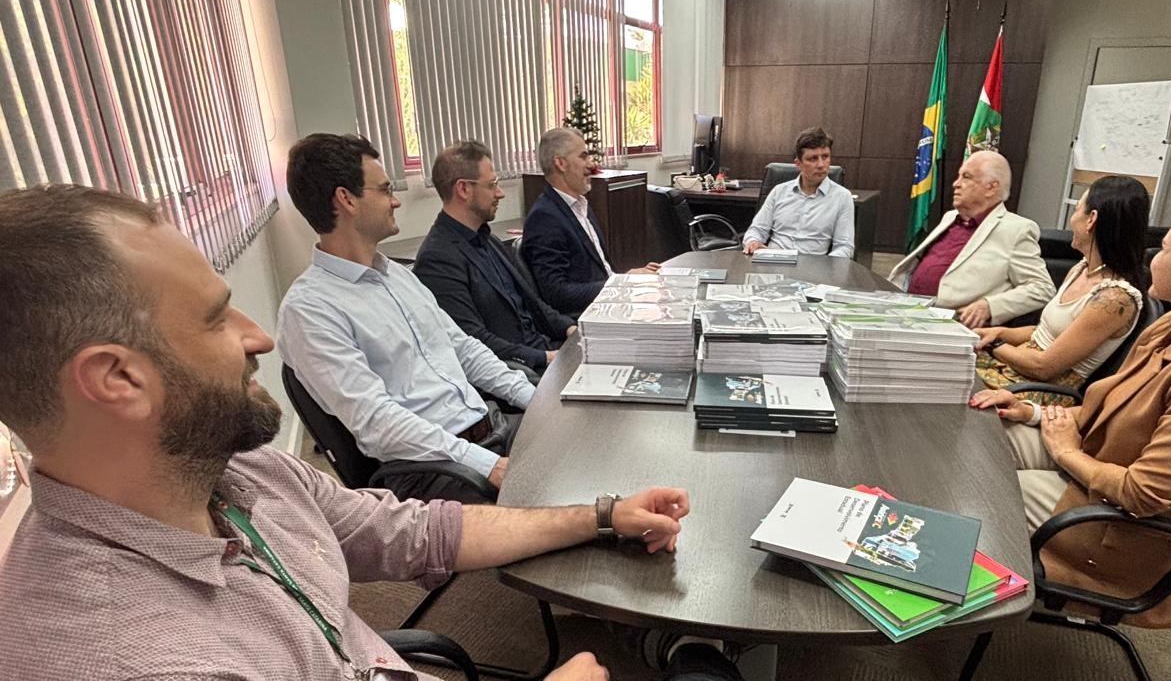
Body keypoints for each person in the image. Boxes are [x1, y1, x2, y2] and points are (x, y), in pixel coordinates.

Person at [0, 183, 712, 680]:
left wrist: (599, 516)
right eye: (217, 319)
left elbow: (416, 532)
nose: (259, 337)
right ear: (117, 379)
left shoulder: (244, 474)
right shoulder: (129, 657)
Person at [970, 193, 1171, 628]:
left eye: (1166, 249)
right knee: (978, 436)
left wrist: (1065, 453)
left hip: (1124, 532)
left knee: (980, 491)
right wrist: (1031, 414)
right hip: (1095, 468)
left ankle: (941, 605)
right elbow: (1111, 410)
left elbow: (1144, 493)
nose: (1153, 257)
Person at [277, 134, 532, 502]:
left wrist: (535, 400)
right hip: (432, 472)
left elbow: (463, 348)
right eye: (384, 190)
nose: (395, 200)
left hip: (488, 432)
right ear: (346, 199)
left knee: (582, 448)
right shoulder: (310, 310)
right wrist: (484, 463)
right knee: (573, 515)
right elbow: (377, 422)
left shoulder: (397, 275)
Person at [973, 175, 1150, 405]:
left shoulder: (1115, 299)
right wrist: (998, 333)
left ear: (1091, 219)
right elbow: (1044, 332)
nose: (1072, 219)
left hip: (1038, 393)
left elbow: (1043, 367)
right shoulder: (1081, 269)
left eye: (1076, 210)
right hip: (1017, 370)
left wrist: (995, 345)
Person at [413, 140, 577, 380]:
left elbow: (533, 303)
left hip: (547, 350)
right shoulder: (437, 259)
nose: (500, 193)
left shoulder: (488, 239)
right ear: (463, 189)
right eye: (492, 185)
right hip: (521, 371)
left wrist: (570, 328)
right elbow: (473, 340)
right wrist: (545, 357)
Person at [889, 151, 1055, 328]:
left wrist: (989, 306)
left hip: (951, 324)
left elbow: (1042, 288)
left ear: (991, 188)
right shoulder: (950, 218)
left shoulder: (1016, 229)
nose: (956, 184)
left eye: (966, 177)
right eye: (958, 176)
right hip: (906, 308)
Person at [520, 127, 661, 317]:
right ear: (561, 163)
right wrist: (622, 283)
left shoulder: (581, 205)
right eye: (583, 157)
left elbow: (602, 271)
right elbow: (556, 294)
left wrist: (627, 279)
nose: (591, 164)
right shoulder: (545, 218)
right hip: (592, 316)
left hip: (612, 302)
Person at [741, 127, 855, 258]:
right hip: (773, 262)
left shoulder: (842, 197)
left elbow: (844, 247)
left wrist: (826, 266)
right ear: (798, 163)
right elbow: (757, 230)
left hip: (813, 266)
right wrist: (752, 242)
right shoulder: (779, 192)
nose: (821, 165)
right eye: (813, 159)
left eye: (825, 157)